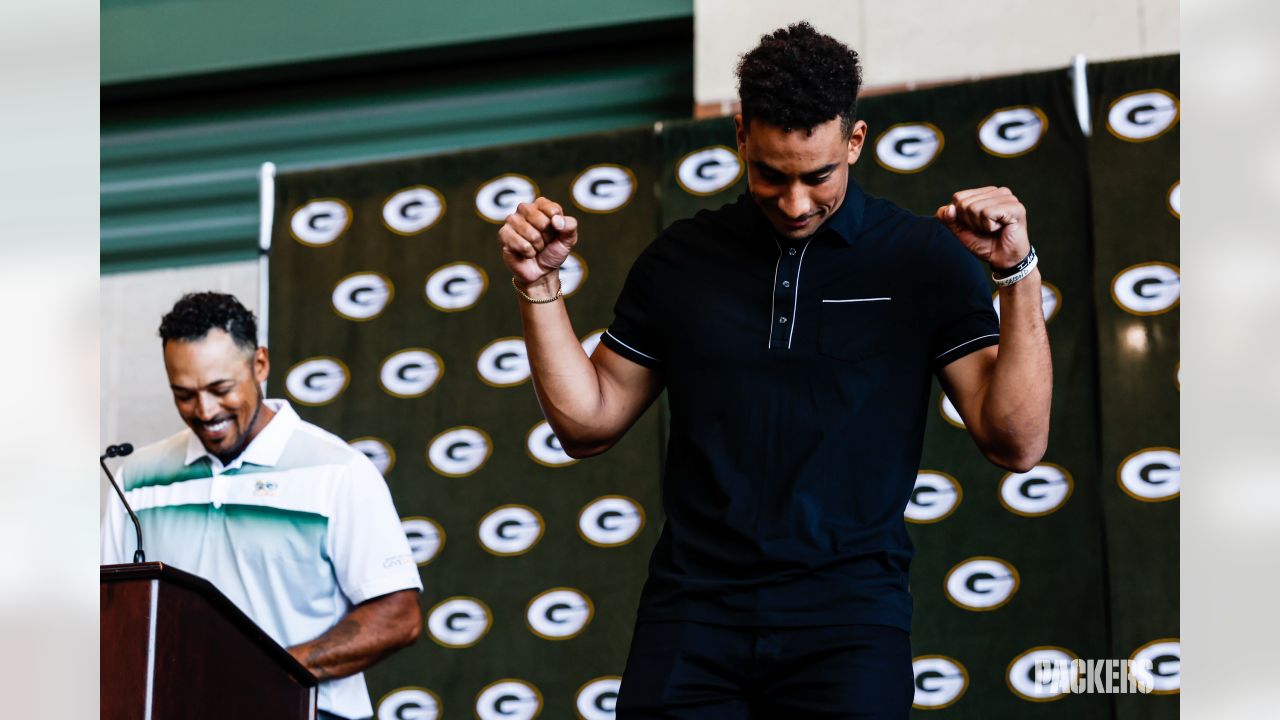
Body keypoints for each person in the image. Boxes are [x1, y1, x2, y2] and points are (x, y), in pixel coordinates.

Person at [499, 22, 1052, 719]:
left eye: (817, 176)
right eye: (770, 175)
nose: (795, 204)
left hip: (849, 621)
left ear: (854, 141)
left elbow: (1017, 442)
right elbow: (588, 423)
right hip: (692, 616)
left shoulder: (921, 260)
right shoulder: (681, 261)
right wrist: (538, 286)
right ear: (740, 138)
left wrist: (1016, 274)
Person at [101, 292, 423, 720]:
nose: (205, 410)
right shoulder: (136, 479)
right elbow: (109, 619)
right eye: (184, 394)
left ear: (260, 366)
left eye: (221, 389)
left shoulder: (337, 470)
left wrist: (259, 672)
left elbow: (399, 617)